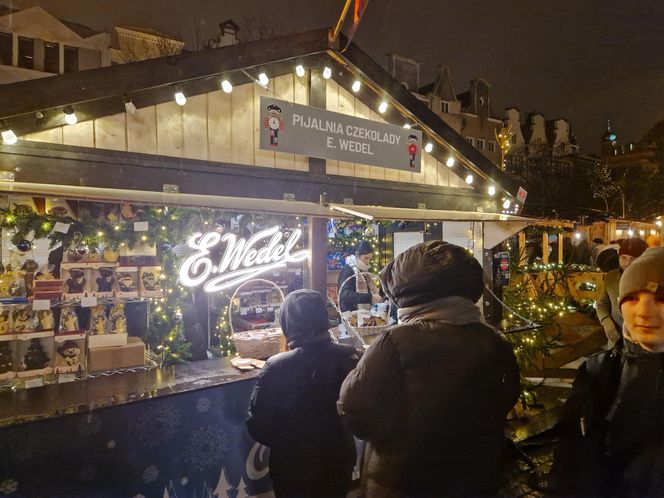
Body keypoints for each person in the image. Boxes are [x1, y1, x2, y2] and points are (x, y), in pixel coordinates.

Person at [338, 241, 520, 497]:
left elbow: (355, 406)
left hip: (405, 481)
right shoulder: (494, 341)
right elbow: (506, 398)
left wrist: (395, 438)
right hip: (474, 475)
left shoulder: (396, 340)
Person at [547, 247, 664, 497]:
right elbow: (570, 459)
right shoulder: (597, 371)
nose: (644, 312)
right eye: (632, 299)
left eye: (661, 299)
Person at [246, 289, 359, 498]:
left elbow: (258, 425)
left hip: (292, 465)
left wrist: (288, 442)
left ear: (288, 322)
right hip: (339, 457)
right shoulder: (350, 356)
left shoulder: (277, 366)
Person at [596, 237, 648, 348]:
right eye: (623, 258)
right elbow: (602, 304)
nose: (627, 263)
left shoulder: (651, 279)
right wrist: (606, 321)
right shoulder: (611, 277)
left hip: (643, 343)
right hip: (616, 340)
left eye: (633, 259)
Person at [338, 240, 382, 312]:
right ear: (357, 255)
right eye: (366, 258)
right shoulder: (348, 270)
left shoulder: (364, 270)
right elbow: (345, 295)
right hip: (350, 316)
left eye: (370, 259)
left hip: (363, 316)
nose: (368, 262)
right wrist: (369, 297)